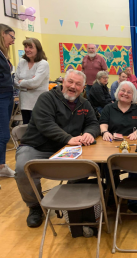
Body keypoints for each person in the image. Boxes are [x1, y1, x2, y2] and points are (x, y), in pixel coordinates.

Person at [14, 70, 100, 228]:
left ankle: (69, 197)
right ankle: (35, 206)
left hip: (66, 148)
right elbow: (46, 124)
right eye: (70, 82)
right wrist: (68, 138)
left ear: (83, 88)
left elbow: (93, 123)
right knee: (22, 169)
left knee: (88, 166)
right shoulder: (47, 98)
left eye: (78, 84)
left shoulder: (85, 104)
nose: (73, 86)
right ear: (63, 82)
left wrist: (89, 133)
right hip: (37, 146)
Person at [100, 81, 137, 213]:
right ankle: (113, 196)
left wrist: (136, 132)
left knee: (136, 167)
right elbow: (103, 124)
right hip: (111, 147)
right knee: (108, 167)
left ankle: (134, 200)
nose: (125, 94)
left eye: (129, 92)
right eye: (123, 90)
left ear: (133, 95)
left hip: (132, 146)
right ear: (117, 92)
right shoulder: (108, 108)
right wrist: (105, 132)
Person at [14, 38, 49, 124]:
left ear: (38, 49)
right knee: (26, 127)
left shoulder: (43, 63)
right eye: (25, 47)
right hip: (24, 103)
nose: (27, 49)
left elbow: (35, 82)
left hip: (39, 103)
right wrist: (28, 84)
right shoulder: (22, 62)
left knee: (38, 129)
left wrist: (22, 82)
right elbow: (15, 81)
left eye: (30, 47)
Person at [0, 24, 15, 178]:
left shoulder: (3, 55)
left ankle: (1, 164)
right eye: (12, 37)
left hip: (7, 95)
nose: (13, 41)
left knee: (4, 134)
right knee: (3, 135)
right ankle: (1, 166)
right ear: (3, 34)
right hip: (2, 96)